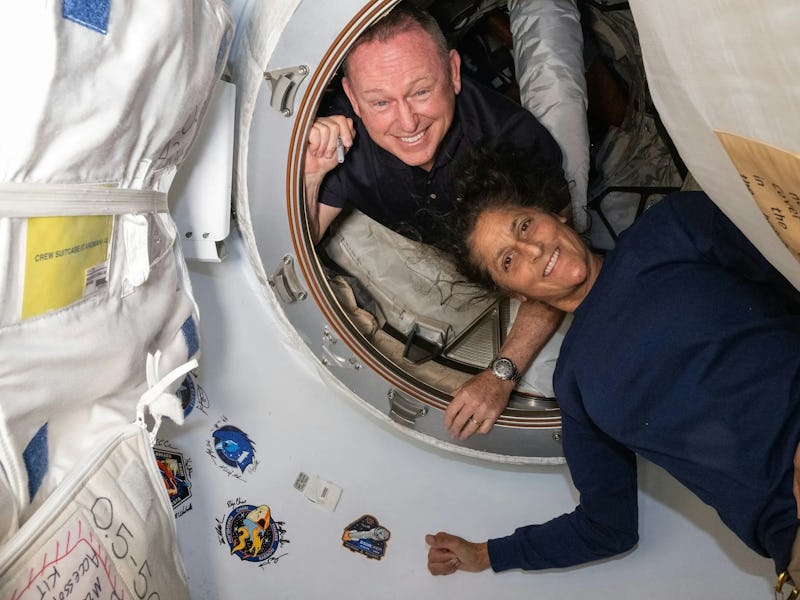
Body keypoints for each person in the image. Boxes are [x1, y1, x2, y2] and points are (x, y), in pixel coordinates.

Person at [424, 146, 800, 595]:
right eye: (508, 260)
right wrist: (487, 554)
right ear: (514, 294)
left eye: (524, 226)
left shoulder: (671, 228)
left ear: (556, 215)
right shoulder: (575, 383)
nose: (532, 248)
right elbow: (607, 526)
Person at [303, 2, 569, 440]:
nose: (407, 122)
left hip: (515, 246)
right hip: (441, 249)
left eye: (421, 91)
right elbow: (304, 236)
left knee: (557, 89)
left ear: (454, 71)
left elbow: (560, 268)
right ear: (353, 98)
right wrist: (312, 174)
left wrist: (501, 375)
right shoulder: (344, 138)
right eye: (381, 101)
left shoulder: (514, 142)